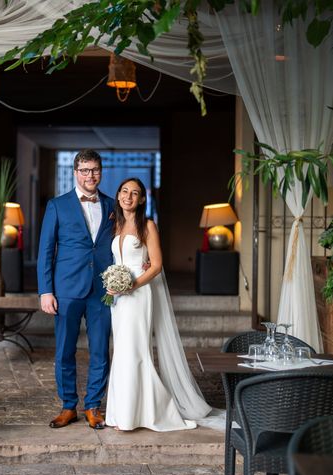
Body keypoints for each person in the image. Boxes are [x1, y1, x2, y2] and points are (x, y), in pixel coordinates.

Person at [105, 177, 213, 432]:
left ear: (142, 199)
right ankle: (123, 412)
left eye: (134, 193)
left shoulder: (148, 226)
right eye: (124, 191)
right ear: (118, 195)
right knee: (121, 350)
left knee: (135, 351)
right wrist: (113, 283)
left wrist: (131, 284)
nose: (128, 196)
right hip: (117, 298)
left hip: (138, 293)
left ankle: (143, 413)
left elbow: (156, 265)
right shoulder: (116, 225)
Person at [37, 149, 114, 430]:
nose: (90, 175)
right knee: (64, 351)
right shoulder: (58, 205)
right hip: (67, 288)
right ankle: (68, 406)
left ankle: (93, 405)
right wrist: (46, 291)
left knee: (100, 351)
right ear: (75, 173)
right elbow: (46, 250)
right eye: (84, 170)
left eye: (94, 170)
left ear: (100, 172)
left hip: (103, 290)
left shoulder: (112, 205)